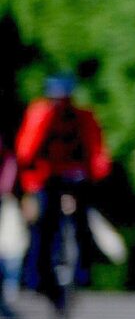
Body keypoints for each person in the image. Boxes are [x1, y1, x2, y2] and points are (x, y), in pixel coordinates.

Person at [16, 71, 110, 306]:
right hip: (51, 177)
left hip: (69, 176)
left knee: (69, 224)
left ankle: (70, 273)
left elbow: (95, 149)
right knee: (48, 226)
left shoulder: (78, 117)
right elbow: (27, 151)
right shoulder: (45, 114)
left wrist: (96, 175)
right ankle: (46, 276)